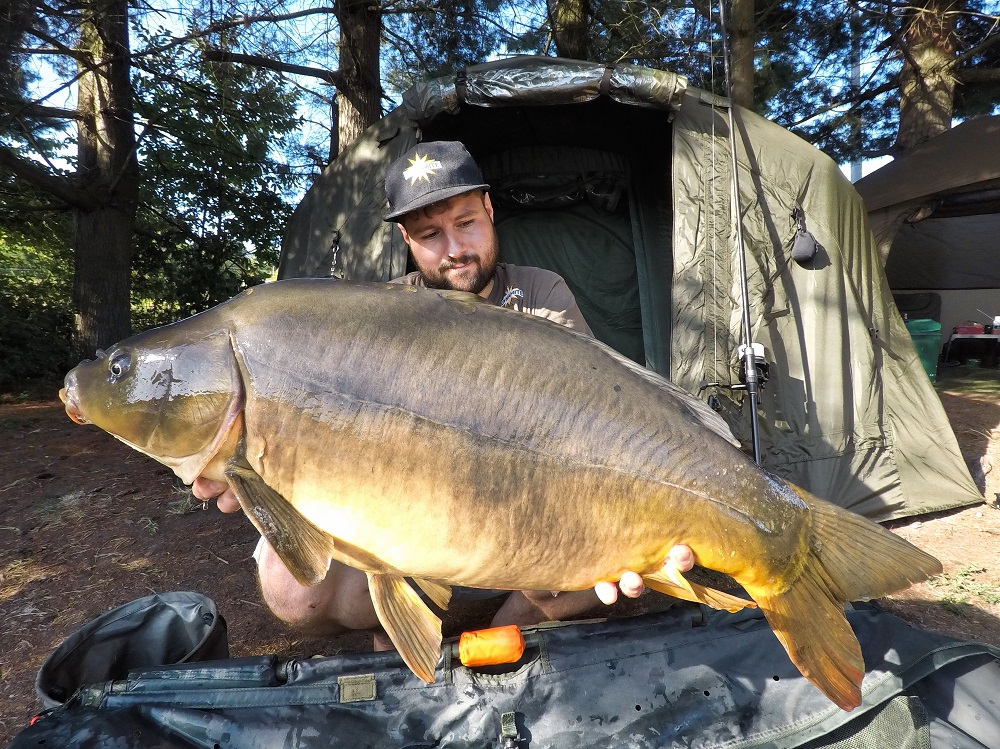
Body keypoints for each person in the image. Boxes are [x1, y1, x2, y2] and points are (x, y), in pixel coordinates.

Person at [193, 140, 695, 647]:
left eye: (466, 222)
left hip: (522, 499)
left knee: (572, 570)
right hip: (422, 507)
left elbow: (588, 421)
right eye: (431, 234)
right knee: (291, 592)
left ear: (490, 210)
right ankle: (397, 623)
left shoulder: (541, 293)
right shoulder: (383, 318)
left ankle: (504, 626)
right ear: (407, 239)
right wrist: (267, 472)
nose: (454, 248)